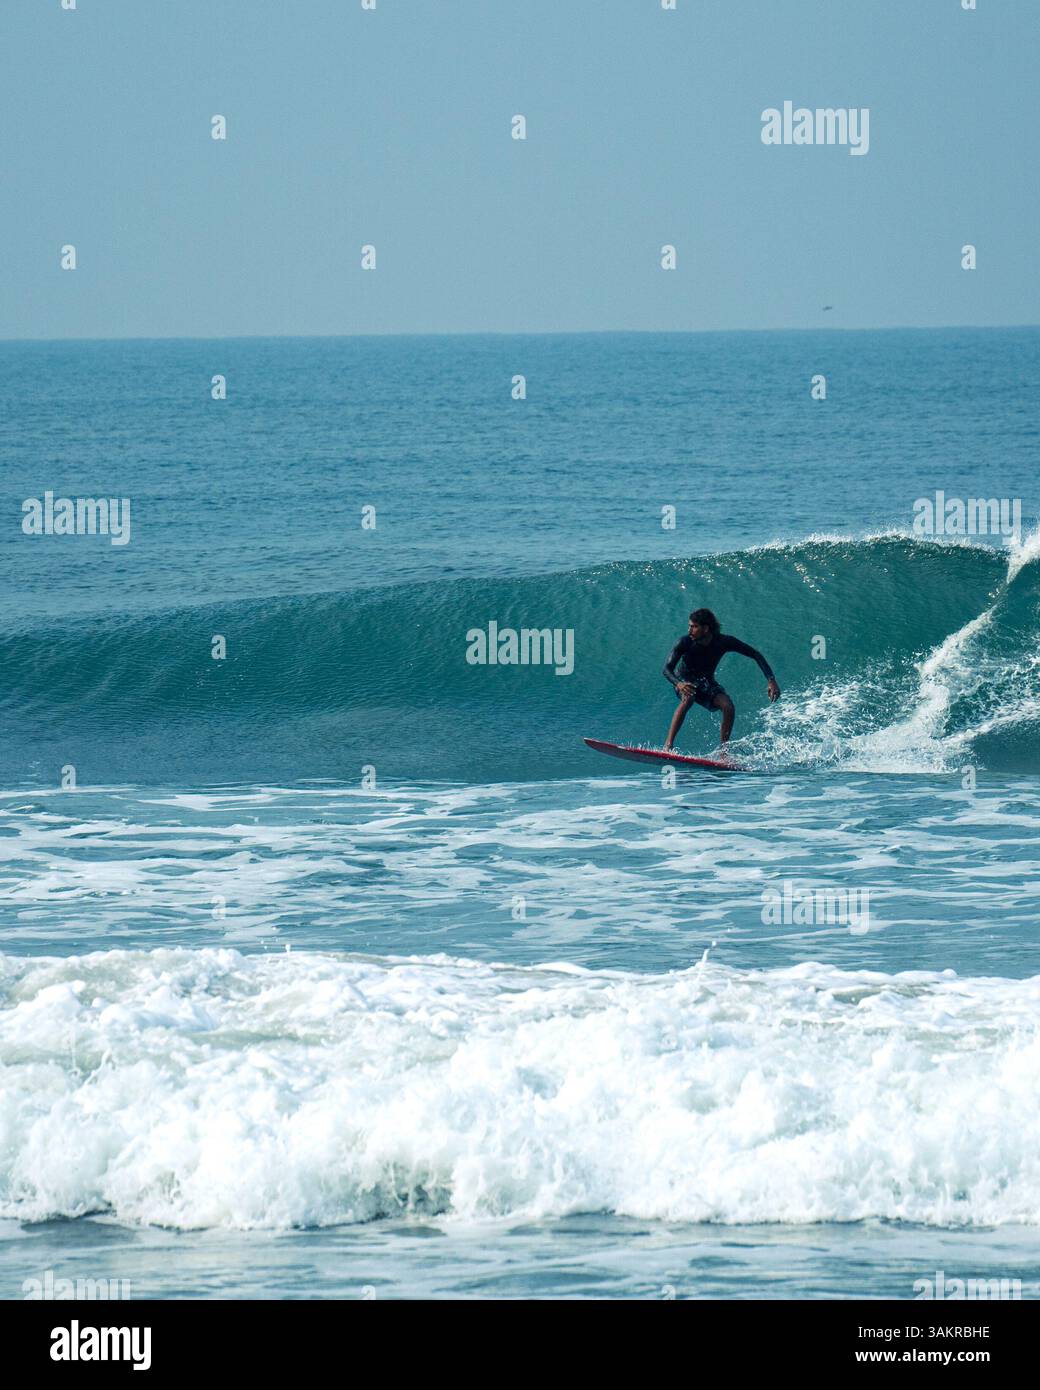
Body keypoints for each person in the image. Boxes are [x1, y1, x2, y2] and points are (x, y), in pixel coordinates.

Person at [662, 608, 780, 750]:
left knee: (728, 706)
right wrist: (679, 683)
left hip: (706, 681)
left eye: (694, 627)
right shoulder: (684, 642)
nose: (689, 631)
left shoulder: (723, 642)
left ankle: (723, 752)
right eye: (689, 626)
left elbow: (755, 654)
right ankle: (668, 746)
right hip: (684, 679)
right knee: (689, 697)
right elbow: (666, 669)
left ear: (705, 628)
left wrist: (771, 680)